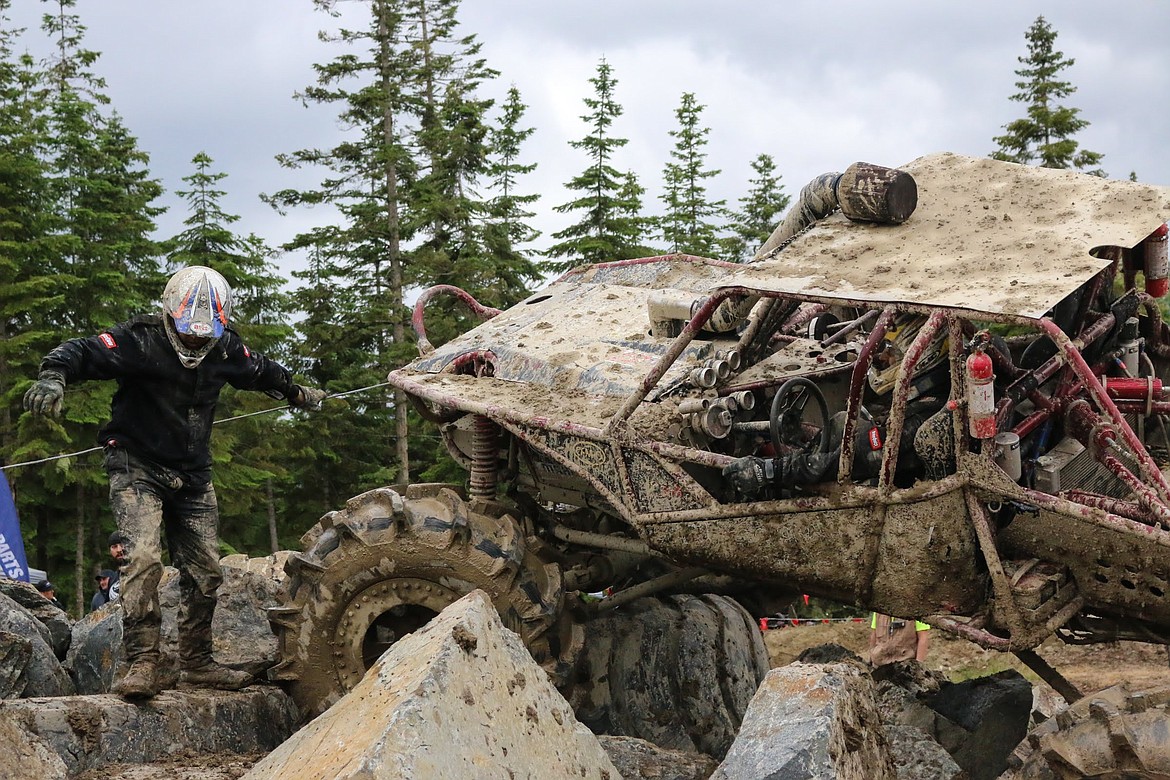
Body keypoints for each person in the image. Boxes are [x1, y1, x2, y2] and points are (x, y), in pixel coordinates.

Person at [23, 266, 325, 700]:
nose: (196, 343)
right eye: (189, 334)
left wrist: (297, 394)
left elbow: (263, 372)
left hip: (194, 473)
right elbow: (83, 351)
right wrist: (54, 376)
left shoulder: (225, 349)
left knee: (206, 570)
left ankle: (198, 662)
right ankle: (143, 661)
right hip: (135, 464)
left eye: (205, 337)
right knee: (142, 558)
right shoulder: (139, 340)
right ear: (170, 315)